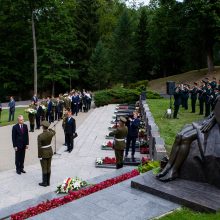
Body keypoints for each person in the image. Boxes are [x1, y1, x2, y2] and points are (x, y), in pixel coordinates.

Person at [157, 96, 220, 182]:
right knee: (179, 135)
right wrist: (212, 117)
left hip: (215, 127)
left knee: (186, 138)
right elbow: (215, 110)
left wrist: (213, 120)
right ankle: (168, 165)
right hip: (208, 121)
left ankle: (174, 170)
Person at [38, 120, 55, 187]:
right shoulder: (50, 133)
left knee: (44, 168)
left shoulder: (40, 136)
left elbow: (39, 147)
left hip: (43, 153)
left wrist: (39, 156)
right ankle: (48, 182)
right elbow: (54, 132)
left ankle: (44, 183)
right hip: (50, 152)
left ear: (42, 127)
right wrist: (50, 129)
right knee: (49, 167)